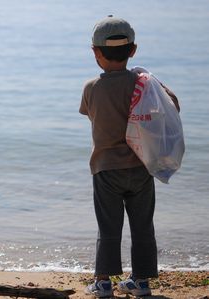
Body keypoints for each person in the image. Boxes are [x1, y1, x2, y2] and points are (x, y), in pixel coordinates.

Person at [79, 16, 179, 297]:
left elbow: (89, 113)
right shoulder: (144, 84)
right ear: (133, 50)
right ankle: (141, 282)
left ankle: (103, 283)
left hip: (106, 168)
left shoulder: (91, 88)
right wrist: (151, 81)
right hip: (142, 167)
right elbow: (173, 105)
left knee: (108, 226)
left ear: (95, 52)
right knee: (143, 226)